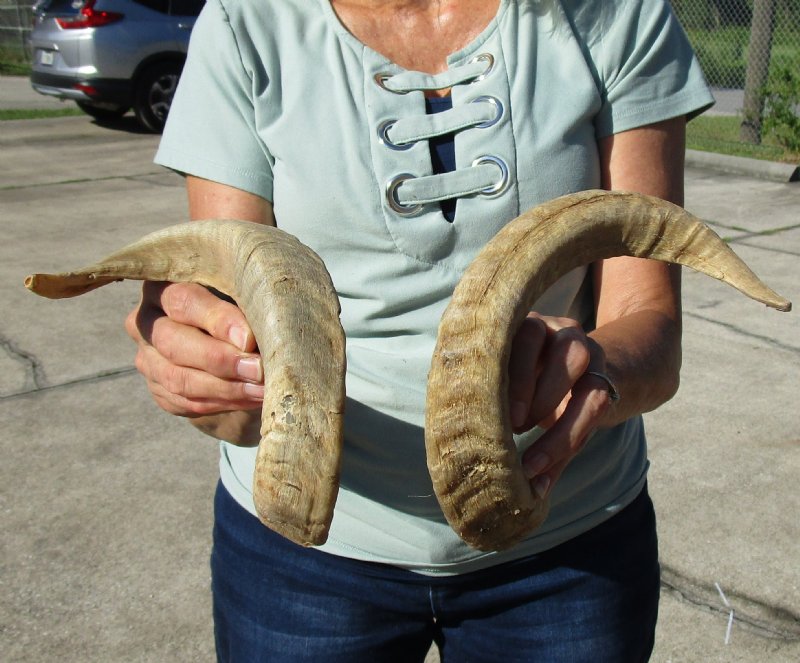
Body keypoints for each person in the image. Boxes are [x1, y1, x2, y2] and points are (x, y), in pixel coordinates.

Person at [125, 0, 714, 660]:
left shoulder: (616, 14)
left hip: (567, 554)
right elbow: (233, 315)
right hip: (304, 564)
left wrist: (598, 368)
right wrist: (213, 381)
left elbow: (651, 324)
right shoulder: (246, 24)